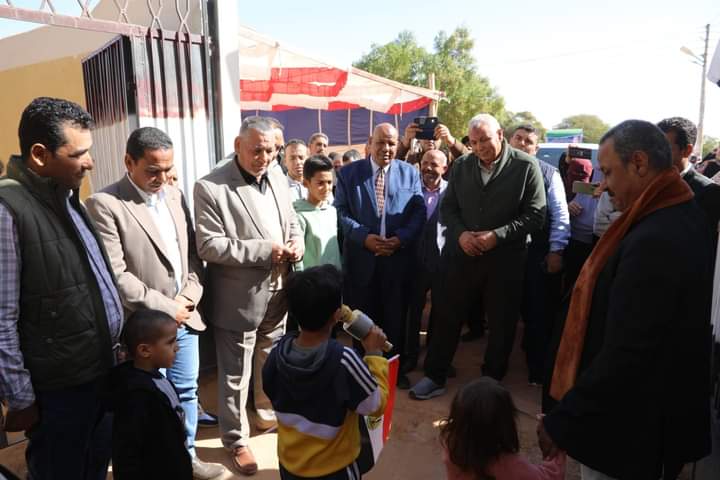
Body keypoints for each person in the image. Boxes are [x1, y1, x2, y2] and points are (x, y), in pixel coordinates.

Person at [539, 120, 713, 479]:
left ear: (639, 163)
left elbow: (628, 351)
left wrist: (564, 420)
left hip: (626, 433)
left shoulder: (656, 238)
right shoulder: (675, 213)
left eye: (608, 172)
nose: (603, 186)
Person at [85, 127, 223, 479]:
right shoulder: (105, 204)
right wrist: (167, 307)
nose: (162, 178)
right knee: (145, 401)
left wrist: (188, 297)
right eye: (152, 170)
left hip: (185, 318)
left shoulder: (175, 195)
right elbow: (116, 275)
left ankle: (186, 458)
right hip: (143, 328)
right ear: (129, 162)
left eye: (167, 169)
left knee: (186, 392)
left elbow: (192, 258)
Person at [0, 97, 123, 480]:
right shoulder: (7, 210)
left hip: (99, 374)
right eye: (79, 154)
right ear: (40, 155)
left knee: (94, 466)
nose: (90, 163)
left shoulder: (67, 198)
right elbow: (2, 319)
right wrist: (21, 397)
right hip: (58, 393)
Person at [194, 116, 303, 475]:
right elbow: (209, 245)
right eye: (257, 150)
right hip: (238, 298)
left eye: (271, 151)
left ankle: (266, 412)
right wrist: (264, 251)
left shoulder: (277, 175)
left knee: (270, 358)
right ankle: (235, 439)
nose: (265, 158)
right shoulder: (210, 187)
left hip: (278, 289)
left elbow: (291, 220)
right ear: (238, 146)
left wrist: (296, 242)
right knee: (234, 374)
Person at [411, 113, 546, 399]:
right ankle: (435, 375)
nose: (480, 147)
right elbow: (449, 208)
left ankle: (491, 382)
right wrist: (461, 234)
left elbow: (536, 215)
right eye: (473, 142)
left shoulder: (526, 166)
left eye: (485, 140)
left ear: (500, 135)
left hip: (504, 261)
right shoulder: (462, 165)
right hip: (461, 256)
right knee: (447, 316)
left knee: (501, 323)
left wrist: (497, 236)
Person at [263, 265, 389, 480]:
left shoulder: (277, 352)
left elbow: (270, 388)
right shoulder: (344, 360)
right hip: (335, 470)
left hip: (290, 466)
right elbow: (374, 405)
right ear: (335, 315)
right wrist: (375, 355)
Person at [334, 123, 425, 376]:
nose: (386, 148)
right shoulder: (348, 174)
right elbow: (340, 211)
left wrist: (400, 239)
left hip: (397, 261)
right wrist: (364, 237)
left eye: (392, 143)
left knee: (395, 321)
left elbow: (418, 213)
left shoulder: (410, 173)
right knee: (361, 322)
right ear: (370, 143)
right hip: (362, 262)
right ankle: (362, 375)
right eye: (381, 142)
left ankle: (392, 374)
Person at [508, 125, 570, 386]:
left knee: (537, 312)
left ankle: (537, 370)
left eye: (528, 141)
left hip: (536, 253)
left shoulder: (549, 173)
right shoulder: (498, 171)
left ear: (536, 148)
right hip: (504, 254)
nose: (523, 144)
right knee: (504, 311)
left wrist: (556, 250)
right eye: (518, 139)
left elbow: (560, 214)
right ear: (509, 142)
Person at [111, 309, 193, 480]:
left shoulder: (158, 380)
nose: (177, 348)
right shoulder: (136, 397)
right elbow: (128, 453)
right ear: (144, 350)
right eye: (170, 343)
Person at [441, 377, 565, 480]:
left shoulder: (452, 452)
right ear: (505, 425)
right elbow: (551, 476)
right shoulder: (510, 464)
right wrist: (555, 438)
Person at [403, 150, 449, 388]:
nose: (429, 168)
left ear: (445, 168)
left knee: (440, 313)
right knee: (413, 312)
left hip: (442, 263)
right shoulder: (410, 189)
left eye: (434, 164)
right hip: (413, 262)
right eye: (425, 163)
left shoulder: (453, 192)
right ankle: (409, 356)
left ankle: (435, 358)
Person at [657, 117, 720, 234]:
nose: (655, 155)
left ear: (687, 150)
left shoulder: (709, 192)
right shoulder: (647, 184)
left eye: (664, 149)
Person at [293, 155, 341, 272]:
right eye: (320, 183)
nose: (326, 188)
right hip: (312, 280)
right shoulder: (299, 215)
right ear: (306, 183)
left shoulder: (332, 211)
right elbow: (297, 259)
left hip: (335, 277)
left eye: (329, 182)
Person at [398, 122, 468, 166]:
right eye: (426, 135)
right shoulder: (412, 160)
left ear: (441, 139)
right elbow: (395, 165)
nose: (430, 139)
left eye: (434, 135)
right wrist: (405, 143)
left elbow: (469, 160)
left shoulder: (449, 158)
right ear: (419, 139)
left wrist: (451, 141)